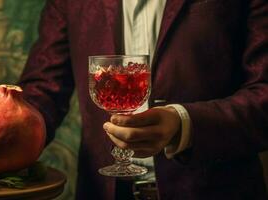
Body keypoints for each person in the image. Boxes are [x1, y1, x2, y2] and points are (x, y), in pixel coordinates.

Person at [18, 0, 268, 199]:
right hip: (105, 191)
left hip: (213, 190)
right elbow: (44, 87)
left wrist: (183, 123)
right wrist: (3, 134)